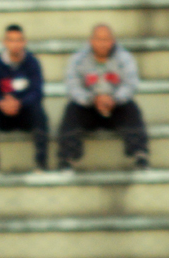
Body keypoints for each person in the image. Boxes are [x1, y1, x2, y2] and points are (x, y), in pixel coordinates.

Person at [58, 24, 149, 170]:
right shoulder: (78, 59)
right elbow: (72, 85)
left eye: (106, 39)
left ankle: (140, 154)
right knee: (71, 110)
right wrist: (92, 99)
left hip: (115, 105)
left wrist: (114, 98)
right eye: (98, 39)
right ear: (91, 41)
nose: (102, 43)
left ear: (113, 41)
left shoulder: (124, 58)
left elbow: (131, 84)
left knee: (132, 108)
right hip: (89, 106)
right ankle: (67, 158)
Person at [0, 24, 48, 173]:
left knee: (39, 113)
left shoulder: (32, 63)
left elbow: (38, 92)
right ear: (5, 42)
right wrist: (0, 103)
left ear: (24, 42)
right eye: (11, 40)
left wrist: (20, 103)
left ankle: (41, 164)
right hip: (3, 113)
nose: (15, 44)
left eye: (18, 40)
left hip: (24, 112)